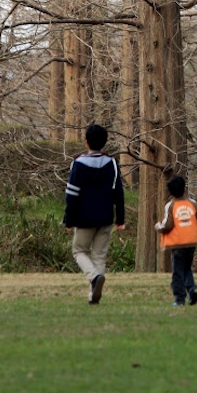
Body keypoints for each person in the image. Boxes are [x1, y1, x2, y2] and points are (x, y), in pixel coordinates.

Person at [63, 123, 126, 305]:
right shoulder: (112, 163)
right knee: (99, 255)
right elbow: (118, 193)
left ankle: (93, 278)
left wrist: (69, 219)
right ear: (105, 143)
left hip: (83, 218)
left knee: (79, 251)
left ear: (86, 142)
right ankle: (94, 295)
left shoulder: (78, 163)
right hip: (105, 217)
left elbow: (72, 194)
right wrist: (120, 219)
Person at [156, 175, 197, 307]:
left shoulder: (170, 205)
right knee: (186, 268)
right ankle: (192, 289)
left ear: (170, 191)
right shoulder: (192, 203)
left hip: (178, 243)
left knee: (177, 271)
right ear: (184, 189)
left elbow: (168, 225)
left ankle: (179, 298)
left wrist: (158, 227)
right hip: (191, 241)